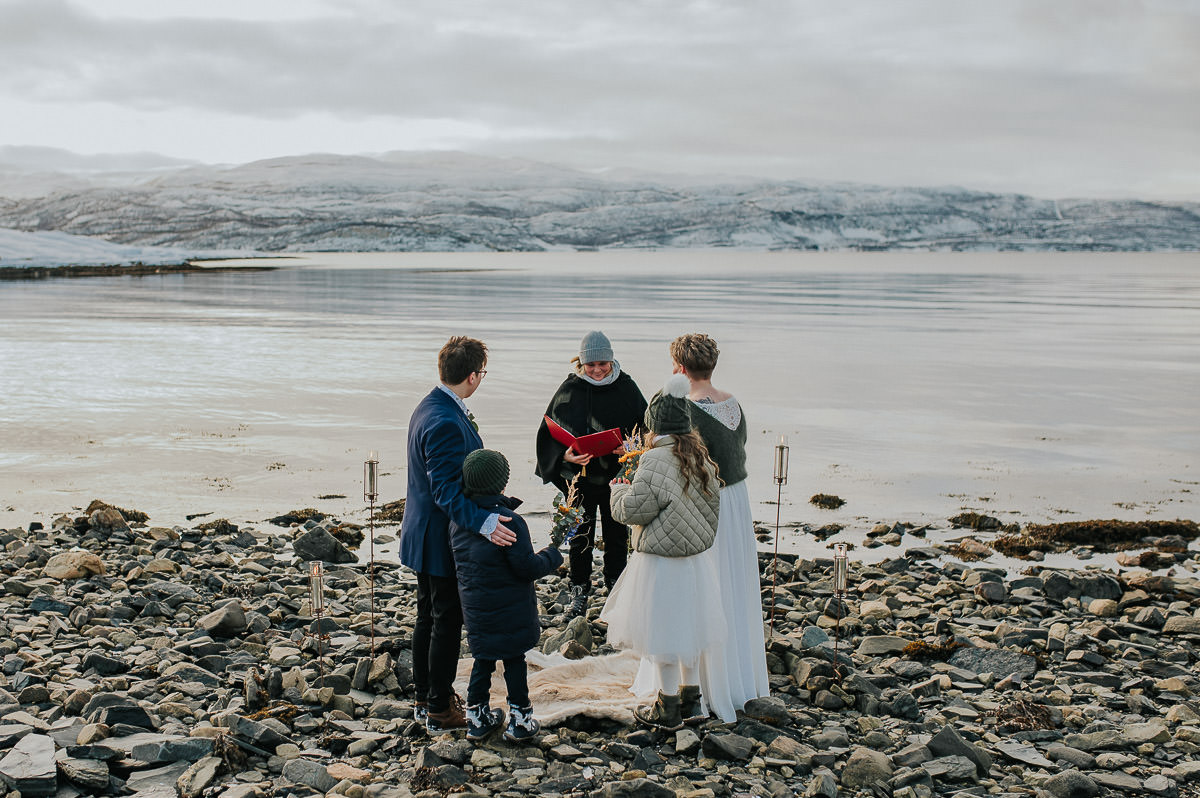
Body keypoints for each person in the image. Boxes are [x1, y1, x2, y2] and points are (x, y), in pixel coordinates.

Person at [635, 333, 770, 722]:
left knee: (697, 587)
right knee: (731, 583)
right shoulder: (734, 403)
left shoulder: (681, 409)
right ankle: (732, 674)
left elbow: (668, 452)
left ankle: (695, 685)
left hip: (703, 504)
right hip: (736, 499)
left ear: (678, 367)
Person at [401, 336, 517, 732]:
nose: (481, 379)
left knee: (428, 616)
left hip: (420, 530)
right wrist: (487, 525)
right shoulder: (446, 421)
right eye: (482, 373)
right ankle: (438, 707)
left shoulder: (431, 405)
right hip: (437, 536)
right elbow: (446, 491)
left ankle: (425, 698)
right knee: (446, 620)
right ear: (471, 376)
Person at [600, 374, 725, 730]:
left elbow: (633, 511)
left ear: (654, 426)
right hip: (695, 562)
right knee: (690, 629)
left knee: (665, 632)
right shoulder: (699, 457)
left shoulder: (655, 460)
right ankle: (693, 701)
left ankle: (667, 707)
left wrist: (617, 490)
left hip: (662, 562)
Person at [449, 449, 564, 742]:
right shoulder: (509, 521)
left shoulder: (459, 522)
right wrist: (552, 555)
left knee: (483, 661)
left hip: (475, 610)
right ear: (502, 485)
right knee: (514, 662)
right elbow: (526, 567)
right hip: (512, 610)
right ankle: (520, 720)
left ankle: (477, 718)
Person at [535, 331, 647, 620]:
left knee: (616, 535)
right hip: (581, 478)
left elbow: (647, 431)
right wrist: (565, 455)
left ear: (611, 360)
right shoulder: (570, 388)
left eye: (603, 364)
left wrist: (629, 447)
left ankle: (616, 590)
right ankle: (578, 591)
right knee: (580, 536)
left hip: (616, 478)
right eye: (590, 365)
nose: (597, 371)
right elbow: (548, 432)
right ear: (581, 363)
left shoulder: (627, 387)